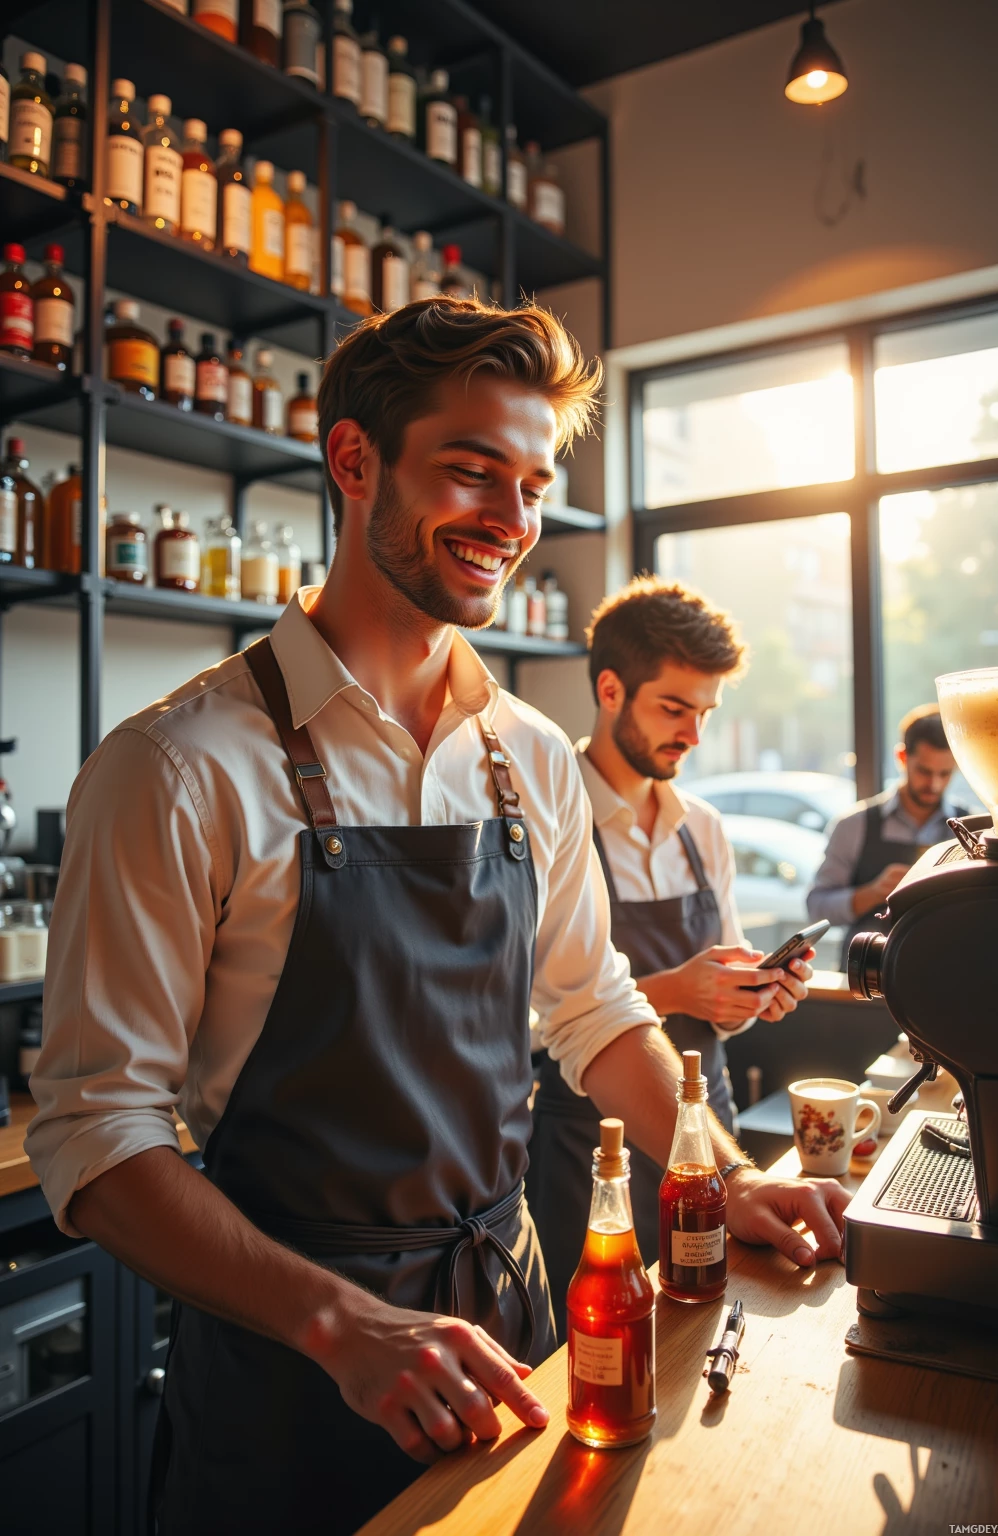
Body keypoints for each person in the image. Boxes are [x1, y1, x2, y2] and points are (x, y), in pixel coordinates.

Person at [26, 297, 850, 1536]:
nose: (513, 524)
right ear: (353, 460)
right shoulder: (179, 767)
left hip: (513, 1319)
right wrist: (340, 1325)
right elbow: (97, 1140)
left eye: (531, 485)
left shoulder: (526, 757)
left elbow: (594, 1008)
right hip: (293, 1367)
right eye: (474, 475)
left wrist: (713, 1177)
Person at [526, 576, 817, 1316]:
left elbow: (721, 1006)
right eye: (674, 708)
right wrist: (677, 991)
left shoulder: (704, 828)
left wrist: (751, 995)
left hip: (707, 1123)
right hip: (590, 1150)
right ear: (611, 689)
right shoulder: (548, 824)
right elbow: (520, 1020)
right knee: (599, 1339)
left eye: (705, 713)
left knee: (708, 1320)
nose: (692, 733)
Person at [807, 703, 964, 961]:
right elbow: (816, 908)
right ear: (902, 758)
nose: (934, 785)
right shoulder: (853, 826)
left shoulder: (970, 829)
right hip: (866, 978)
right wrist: (873, 892)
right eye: (924, 771)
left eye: (944, 774)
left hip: (944, 973)